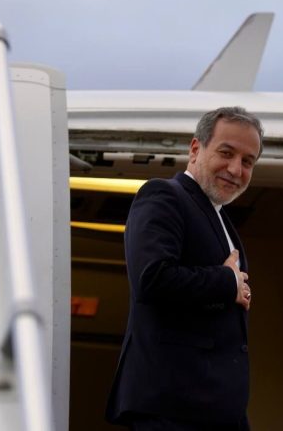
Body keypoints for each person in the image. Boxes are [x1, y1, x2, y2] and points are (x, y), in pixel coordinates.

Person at [106, 107, 263, 430]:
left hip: (214, 410)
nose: (236, 169)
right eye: (226, 153)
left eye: (248, 161)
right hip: (172, 407)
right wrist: (227, 282)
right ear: (195, 149)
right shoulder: (163, 195)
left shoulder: (221, 218)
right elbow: (153, 277)